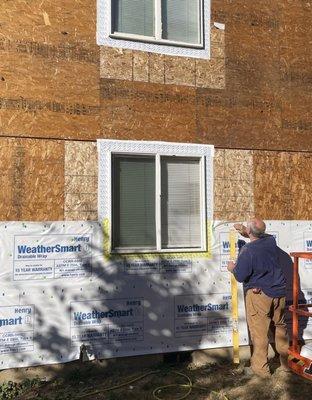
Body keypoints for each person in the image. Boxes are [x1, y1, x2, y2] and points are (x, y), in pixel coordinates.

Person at [227, 218, 289, 378]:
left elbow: (240, 276)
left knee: (259, 333)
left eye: (247, 226)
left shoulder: (248, 251)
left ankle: (261, 371)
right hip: (279, 293)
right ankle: (287, 365)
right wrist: (244, 229)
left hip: (259, 295)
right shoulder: (270, 241)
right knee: (280, 328)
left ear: (249, 232)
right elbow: (258, 235)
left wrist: (232, 268)